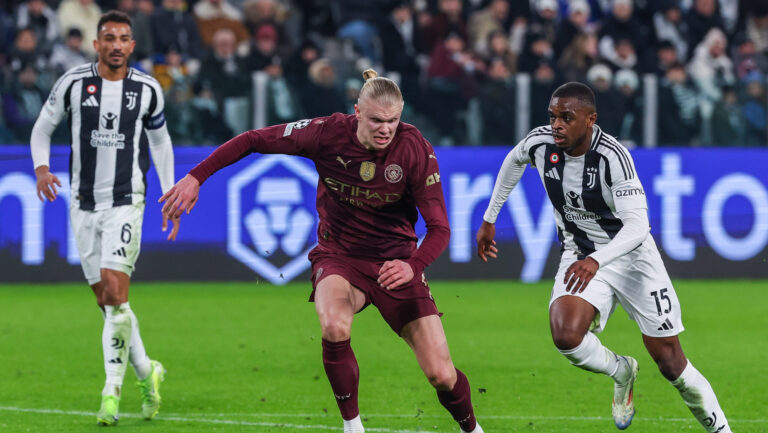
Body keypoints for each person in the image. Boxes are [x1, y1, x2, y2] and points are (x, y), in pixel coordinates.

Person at [159, 69, 484, 433]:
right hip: (340, 257)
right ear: (357, 112)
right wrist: (195, 176)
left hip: (397, 264)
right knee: (333, 325)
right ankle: (353, 427)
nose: (385, 129)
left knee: (441, 374)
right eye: (376, 119)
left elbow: (440, 228)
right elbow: (252, 139)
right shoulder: (327, 133)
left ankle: (472, 429)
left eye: (393, 120)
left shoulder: (414, 148)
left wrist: (414, 265)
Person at [476, 82, 733, 433]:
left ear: (590, 120)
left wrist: (598, 260)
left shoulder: (613, 157)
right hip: (580, 251)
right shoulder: (541, 143)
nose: (557, 125)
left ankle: (721, 430)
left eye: (567, 117)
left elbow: (638, 225)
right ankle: (621, 370)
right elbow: (514, 160)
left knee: (671, 363)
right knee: (565, 334)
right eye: (553, 117)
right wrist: (490, 218)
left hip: (631, 258)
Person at [30, 10, 177, 426]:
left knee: (114, 289)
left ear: (132, 45)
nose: (115, 45)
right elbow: (42, 129)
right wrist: (42, 168)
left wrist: (167, 193)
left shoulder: (148, 89)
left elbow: (161, 143)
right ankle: (148, 373)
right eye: (108, 37)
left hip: (126, 200)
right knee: (109, 302)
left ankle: (110, 393)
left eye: (123, 38)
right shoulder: (74, 84)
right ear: (97, 44)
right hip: (82, 203)